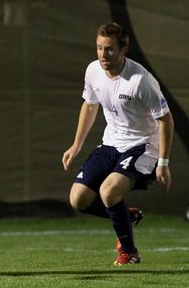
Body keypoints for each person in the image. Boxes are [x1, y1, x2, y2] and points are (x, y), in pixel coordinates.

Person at [62, 22, 174, 266]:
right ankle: (126, 215)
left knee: (108, 192)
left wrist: (163, 163)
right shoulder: (93, 71)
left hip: (143, 146)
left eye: (110, 49)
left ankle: (130, 252)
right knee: (78, 199)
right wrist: (76, 145)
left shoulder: (140, 80)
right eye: (100, 48)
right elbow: (90, 105)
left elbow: (166, 120)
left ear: (123, 49)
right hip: (111, 144)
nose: (103, 55)